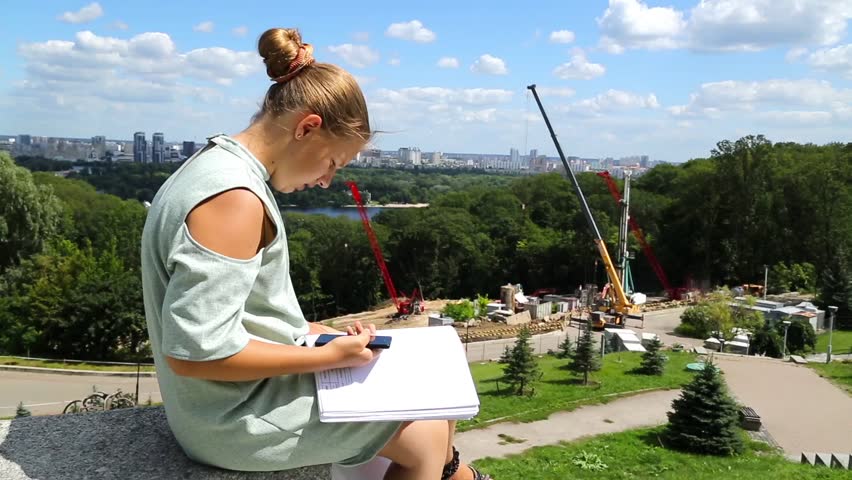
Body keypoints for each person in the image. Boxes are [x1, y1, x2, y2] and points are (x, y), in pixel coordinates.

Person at [140, 27, 491, 480]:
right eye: (332, 163)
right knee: (425, 432)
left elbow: (240, 313)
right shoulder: (235, 199)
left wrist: (318, 333)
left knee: (438, 404)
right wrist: (330, 358)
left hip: (228, 401)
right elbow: (195, 353)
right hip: (231, 420)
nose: (326, 181)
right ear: (307, 127)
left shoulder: (215, 167)